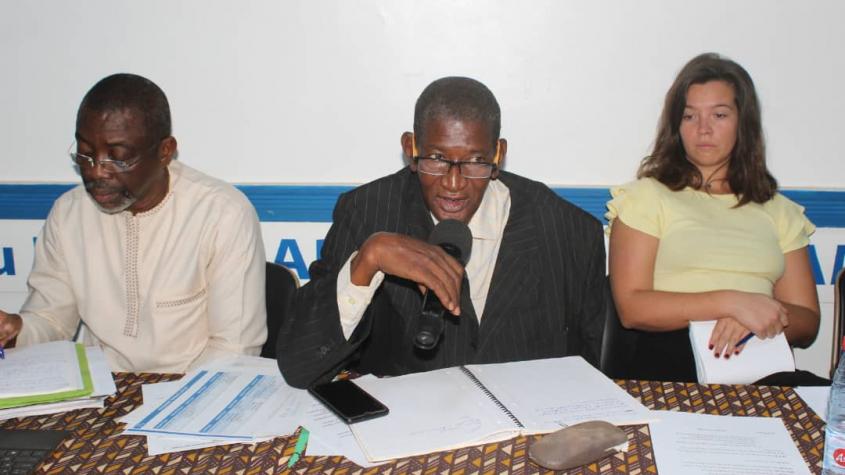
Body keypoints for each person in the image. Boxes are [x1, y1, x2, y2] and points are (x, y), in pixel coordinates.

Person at [277, 77, 606, 388]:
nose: (453, 183)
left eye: (475, 160)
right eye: (436, 158)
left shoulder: (569, 233)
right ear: (411, 147)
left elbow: (587, 382)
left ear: (498, 154)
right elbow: (301, 366)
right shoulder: (366, 213)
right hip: (405, 423)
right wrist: (367, 261)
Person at [0, 73, 267, 373]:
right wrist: (15, 332)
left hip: (190, 387)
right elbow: (51, 320)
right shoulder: (69, 214)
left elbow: (233, 349)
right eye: (86, 155)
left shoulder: (222, 214)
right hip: (99, 390)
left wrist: (174, 398)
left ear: (165, 152)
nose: (97, 172)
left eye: (118, 158)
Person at [606, 53, 820, 382]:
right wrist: (732, 303)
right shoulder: (645, 198)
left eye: (719, 115)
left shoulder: (780, 210)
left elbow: (807, 321)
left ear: (743, 123)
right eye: (689, 116)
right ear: (676, 126)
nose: (703, 129)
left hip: (761, 360)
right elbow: (633, 309)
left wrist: (757, 317)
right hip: (671, 363)